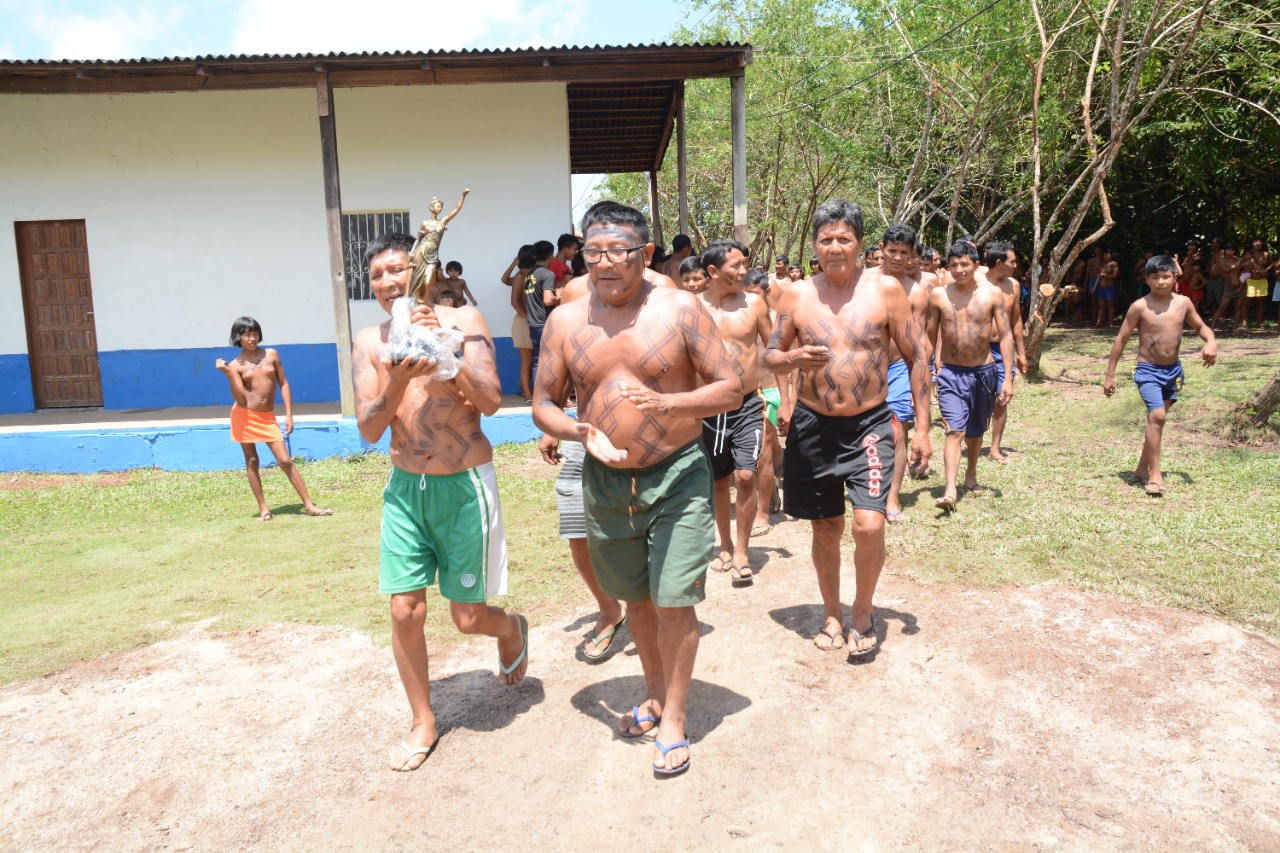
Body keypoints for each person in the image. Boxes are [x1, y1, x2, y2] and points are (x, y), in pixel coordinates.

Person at [532, 201, 740, 777]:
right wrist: (575, 431)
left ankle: (673, 718)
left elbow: (730, 387)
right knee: (637, 600)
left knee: (674, 598)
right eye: (593, 251)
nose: (603, 263)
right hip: (605, 480)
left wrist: (670, 402)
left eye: (618, 252)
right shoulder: (566, 321)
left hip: (676, 472)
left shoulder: (680, 309)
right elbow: (543, 402)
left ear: (645, 254)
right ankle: (654, 693)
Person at [352, 232, 527, 772]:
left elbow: (494, 401)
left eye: (397, 270)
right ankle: (423, 719)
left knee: (468, 618)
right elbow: (368, 427)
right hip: (406, 489)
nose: (388, 283)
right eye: (377, 274)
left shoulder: (467, 322)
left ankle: (512, 627)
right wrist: (399, 381)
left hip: (463, 484)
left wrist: (445, 355)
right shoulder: (370, 341)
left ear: (421, 270)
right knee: (405, 608)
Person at [765, 200, 932, 657]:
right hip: (813, 425)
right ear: (814, 244)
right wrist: (794, 359)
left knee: (869, 524)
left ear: (861, 244)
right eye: (825, 239)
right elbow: (769, 356)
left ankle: (862, 610)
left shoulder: (887, 291)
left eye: (844, 239)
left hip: (870, 425)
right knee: (825, 528)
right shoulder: (796, 295)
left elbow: (918, 356)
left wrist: (922, 429)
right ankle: (832, 615)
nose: (834, 247)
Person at [537, 279, 627, 663]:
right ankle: (610, 608)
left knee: (639, 528)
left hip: (643, 439)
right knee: (576, 526)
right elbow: (559, 373)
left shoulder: (649, 292)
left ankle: (650, 609)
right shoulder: (572, 294)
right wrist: (550, 426)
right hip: (583, 434)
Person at [1103, 255, 1217, 496]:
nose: (1161, 282)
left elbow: (1201, 327)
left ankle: (1141, 467)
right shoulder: (1140, 306)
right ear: (1147, 279)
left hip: (1174, 372)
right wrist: (1109, 375)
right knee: (1157, 416)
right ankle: (1155, 474)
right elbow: (1120, 340)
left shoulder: (1184, 303)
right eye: (1155, 277)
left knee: (1157, 421)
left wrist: (1211, 342)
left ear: (1175, 277)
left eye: (1166, 277)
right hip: (1147, 371)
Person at [698, 241, 773, 584]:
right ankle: (724, 544)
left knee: (746, 475)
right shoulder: (692, 308)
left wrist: (784, 398)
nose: (744, 272)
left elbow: (773, 351)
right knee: (718, 481)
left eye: (745, 264)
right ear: (713, 272)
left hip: (747, 404)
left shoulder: (755, 304)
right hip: (708, 407)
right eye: (736, 266)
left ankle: (742, 550)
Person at [926, 241, 1013, 512]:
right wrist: (925, 371)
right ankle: (949, 490)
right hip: (951, 372)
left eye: (964, 264)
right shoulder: (938, 296)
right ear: (947, 267)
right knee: (954, 431)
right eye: (953, 265)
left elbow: (1006, 335)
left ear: (976, 265)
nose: (959, 269)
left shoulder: (993, 295)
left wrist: (1007, 377)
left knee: (975, 432)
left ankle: (971, 475)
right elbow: (929, 336)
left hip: (984, 372)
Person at [216, 316, 331, 522]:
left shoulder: (271, 354)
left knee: (285, 460)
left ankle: (309, 505)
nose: (252, 338)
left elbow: (283, 383)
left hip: (267, 417)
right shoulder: (235, 365)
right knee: (252, 460)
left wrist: (288, 414)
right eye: (247, 335)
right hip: (244, 416)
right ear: (238, 338)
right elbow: (241, 398)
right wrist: (228, 374)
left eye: (255, 334)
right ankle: (263, 508)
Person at [880, 226, 934, 524]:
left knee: (897, 431)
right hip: (867, 369)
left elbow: (919, 343)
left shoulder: (916, 294)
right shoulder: (865, 284)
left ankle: (892, 497)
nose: (899, 257)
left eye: (906, 252)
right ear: (882, 249)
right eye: (893, 251)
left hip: (900, 367)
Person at [743, 269, 786, 535]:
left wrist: (786, 401)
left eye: (754, 294)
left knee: (764, 454)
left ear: (766, 292)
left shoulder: (776, 321)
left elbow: (785, 361)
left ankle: (762, 514)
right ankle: (771, 493)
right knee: (762, 451)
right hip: (744, 395)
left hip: (769, 393)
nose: (748, 300)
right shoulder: (739, 315)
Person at [983, 242, 1029, 463]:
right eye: (1012, 262)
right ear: (999, 263)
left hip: (1004, 348)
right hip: (979, 349)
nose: (1015, 265)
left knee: (1003, 397)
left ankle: (994, 448)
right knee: (979, 397)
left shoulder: (1014, 285)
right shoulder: (976, 282)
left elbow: (1016, 319)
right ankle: (969, 438)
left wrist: (1021, 352)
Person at [410, 190, 469, 303]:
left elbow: (456, 210)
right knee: (418, 280)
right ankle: (418, 303)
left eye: (441, 207)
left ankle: (423, 301)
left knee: (428, 281)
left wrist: (463, 196)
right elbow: (418, 239)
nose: (440, 208)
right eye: (437, 206)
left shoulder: (442, 222)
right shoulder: (425, 223)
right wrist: (411, 254)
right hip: (421, 252)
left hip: (433, 256)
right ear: (431, 207)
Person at [503, 246, 536, 403]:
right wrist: (529, 317)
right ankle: (528, 394)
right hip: (524, 321)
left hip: (534, 320)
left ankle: (524, 386)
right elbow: (514, 302)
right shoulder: (520, 276)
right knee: (527, 360)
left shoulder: (536, 274)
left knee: (535, 360)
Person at [524, 243, 560, 380]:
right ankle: (548, 396)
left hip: (533, 323)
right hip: (544, 323)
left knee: (537, 361)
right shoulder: (547, 274)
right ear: (551, 257)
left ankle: (538, 395)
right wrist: (561, 296)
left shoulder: (530, 274)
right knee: (551, 360)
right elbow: (548, 300)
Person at [1210, 243, 1244, 332]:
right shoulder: (1221, 260)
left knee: (1238, 307)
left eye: (1232, 250)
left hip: (1240, 286)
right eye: (1228, 250)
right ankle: (1212, 327)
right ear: (1225, 250)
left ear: (1235, 251)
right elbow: (1226, 269)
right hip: (1228, 287)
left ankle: (1234, 327)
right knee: (1222, 307)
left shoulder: (1237, 259)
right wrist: (1238, 265)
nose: (1229, 252)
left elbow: (1244, 271)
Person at [1242, 238, 1272, 329]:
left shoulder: (1266, 254)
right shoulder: (1248, 254)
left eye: (1259, 242)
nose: (1257, 243)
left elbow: (1271, 264)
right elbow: (1241, 263)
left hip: (1262, 281)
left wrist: (1265, 271)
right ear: (1252, 243)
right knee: (1246, 302)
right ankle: (1244, 322)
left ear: (1263, 243)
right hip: (1249, 280)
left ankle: (1260, 323)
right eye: (1255, 241)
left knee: (1260, 303)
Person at [1095, 249, 1120, 327]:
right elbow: (1099, 274)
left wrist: (1104, 275)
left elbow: (1115, 276)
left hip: (1110, 287)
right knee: (1101, 305)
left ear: (1111, 255)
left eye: (1107, 254)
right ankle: (1098, 322)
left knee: (1110, 305)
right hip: (1101, 288)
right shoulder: (1102, 264)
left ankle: (1111, 322)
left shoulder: (1114, 264)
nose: (1105, 256)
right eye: (1104, 254)